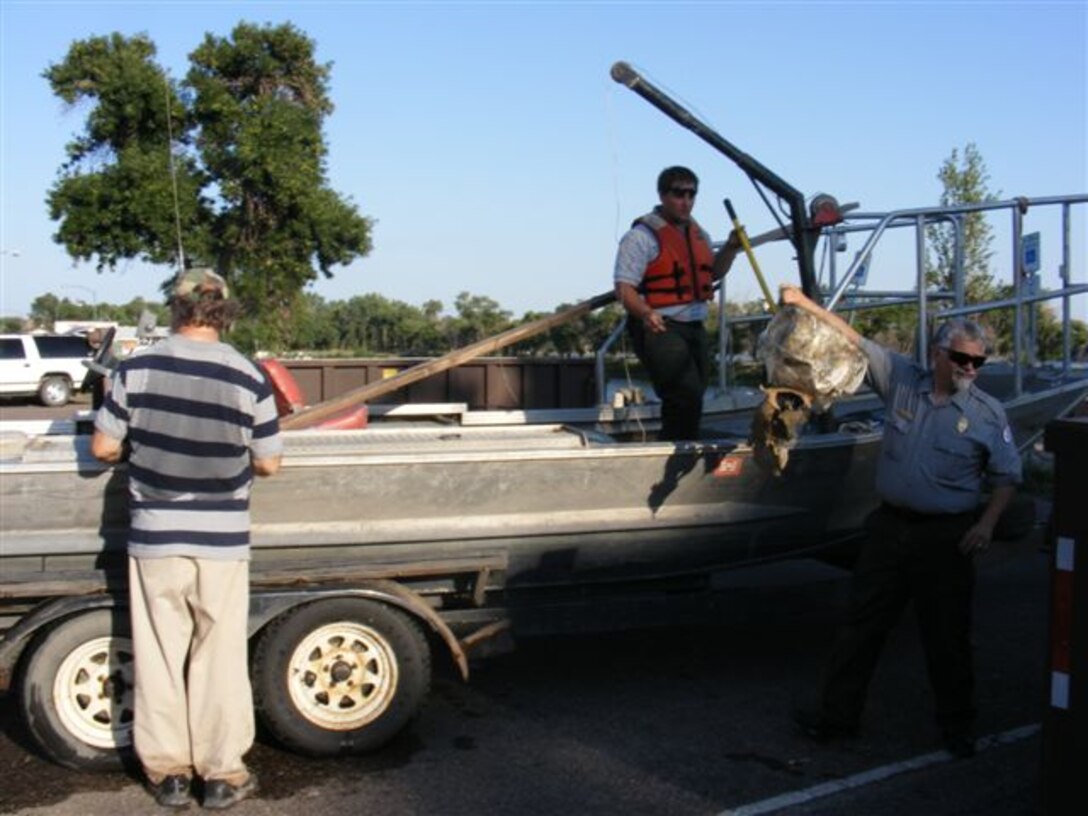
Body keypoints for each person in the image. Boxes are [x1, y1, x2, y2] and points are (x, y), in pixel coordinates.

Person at [779, 283, 1022, 759]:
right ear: (937, 354)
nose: (970, 369)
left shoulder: (988, 414)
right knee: (860, 626)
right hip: (890, 530)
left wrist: (987, 524)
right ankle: (836, 719)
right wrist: (804, 305)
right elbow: (853, 340)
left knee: (947, 636)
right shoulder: (901, 379)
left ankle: (957, 727)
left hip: (945, 539)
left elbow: (1008, 475)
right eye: (961, 359)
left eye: (978, 363)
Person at [91, 268, 283, 809]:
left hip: (156, 536)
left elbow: (103, 450)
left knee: (158, 652)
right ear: (223, 309)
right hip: (222, 540)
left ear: (175, 309)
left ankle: (170, 773)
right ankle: (222, 775)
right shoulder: (248, 375)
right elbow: (269, 462)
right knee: (218, 655)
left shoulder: (138, 367)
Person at [614, 166, 741, 440]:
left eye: (691, 194)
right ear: (662, 195)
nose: (686, 201)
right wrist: (646, 313)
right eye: (678, 194)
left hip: (693, 325)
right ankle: (677, 449)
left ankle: (680, 444)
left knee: (695, 393)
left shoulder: (699, 233)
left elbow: (713, 272)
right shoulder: (641, 236)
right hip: (660, 326)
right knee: (683, 394)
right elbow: (624, 288)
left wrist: (730, 248)